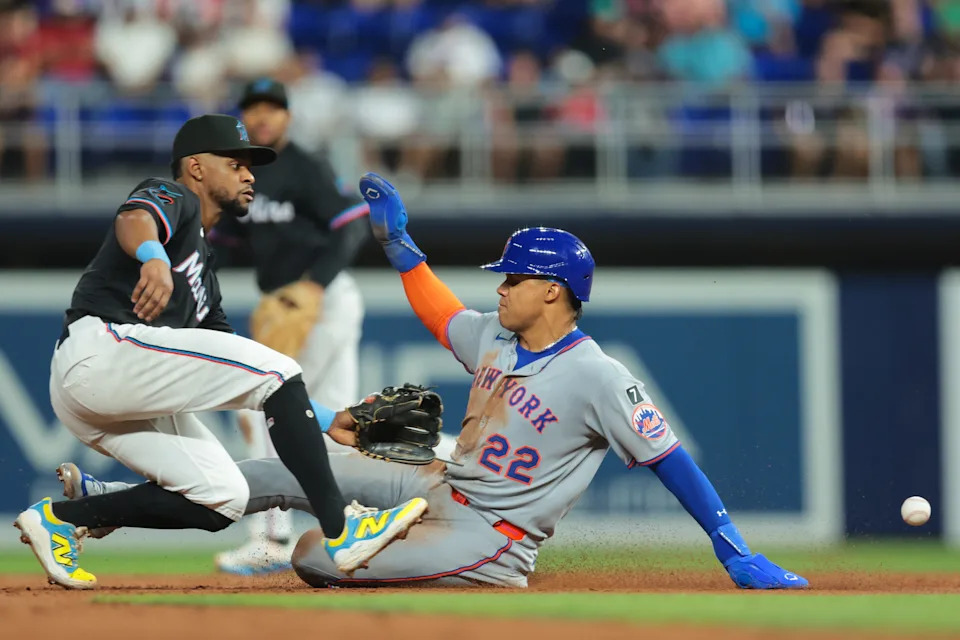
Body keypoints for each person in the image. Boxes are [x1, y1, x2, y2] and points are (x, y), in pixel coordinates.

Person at [57, 172, 808, 590]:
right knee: (285, 466)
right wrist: (402, 248)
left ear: (554, 292)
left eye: (514, 279)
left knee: (315, 556)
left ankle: (391, 539)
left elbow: (672, 463)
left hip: (494, 537)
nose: (500, 289)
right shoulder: (498, 338)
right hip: (441, 483)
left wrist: (730, 545)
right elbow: (443, 312)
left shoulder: (600, 377)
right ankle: (104, 508)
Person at [11, 117, 426, 590]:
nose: (249, 175)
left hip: (109, 393)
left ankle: (62, 517)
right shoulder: (177, 198)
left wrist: (329, 417)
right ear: (197, 168)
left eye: (250, 166)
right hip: (100, 352)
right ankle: (343, 531)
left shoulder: (204, 281)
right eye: (235, 164)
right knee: (277, 368)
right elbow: (133, 218)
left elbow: (251, 378)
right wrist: (152, 255)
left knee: (223, 498)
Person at [205, 78, 368, 575]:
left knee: (266, 405)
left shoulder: (304, 166)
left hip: (321, 300)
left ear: (287, 118)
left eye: (272, 108)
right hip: (290, 303)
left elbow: (352, 223)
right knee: (338, 421)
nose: (263, 116)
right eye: (253, 108)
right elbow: (223, 238)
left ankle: (270, 538)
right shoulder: (244, 175)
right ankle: (357, 528)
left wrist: (314, 286)